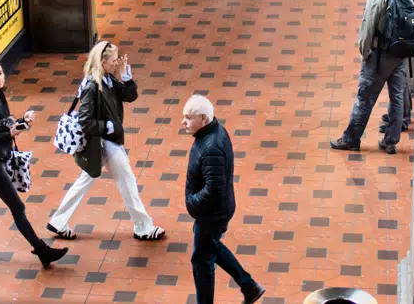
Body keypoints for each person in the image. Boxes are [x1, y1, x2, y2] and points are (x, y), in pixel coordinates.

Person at [47, 41, 166, 241]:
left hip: (104, 142)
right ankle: (143, 227)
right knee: (127, 181)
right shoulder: (92, 86)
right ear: (102, 61)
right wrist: (107, 127)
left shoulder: (108, 79)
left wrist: (126, 75)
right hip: (104, 142)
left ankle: (58, 221)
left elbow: (129, 96)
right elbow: (85, 121)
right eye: (113, 60)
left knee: (86, 179)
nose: (116, 63)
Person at [0, 59, 70, 267]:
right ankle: (42, 251)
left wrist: (22, 122)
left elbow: (3, 125)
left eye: (1, 73)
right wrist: (9, 132)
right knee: (17, 208)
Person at [181, 95, 264, 304]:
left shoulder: (211, 148)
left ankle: (246, 287)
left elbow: (214, 189)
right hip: (214, 210)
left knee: (201, 261)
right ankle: (249, 286)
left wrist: (191, 202)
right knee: (210, 246)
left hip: (212, 213)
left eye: (188, 118)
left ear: (203, 118)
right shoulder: (213, 131)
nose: (183, 122)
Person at [330, 0, 409, 154]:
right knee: (397, 98)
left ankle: (351, 139)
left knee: (365, 98)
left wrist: (365, 55)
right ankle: (390, 141)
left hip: (379, 58)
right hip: (399, 56)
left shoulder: (376, 1)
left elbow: (366, 34)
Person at [382, 0, 414, 133]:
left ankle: (401, 119)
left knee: (399, 84)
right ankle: (400, 114)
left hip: (398, 43)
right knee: (400, 83)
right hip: (402, 42)